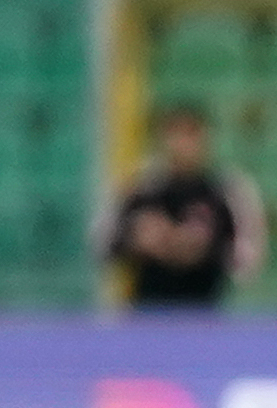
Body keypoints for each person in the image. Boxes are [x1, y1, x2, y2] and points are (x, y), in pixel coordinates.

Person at [100, 101, 264, 310]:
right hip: (145, 315)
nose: (183, 144)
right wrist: (137, 241)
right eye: (175, 134)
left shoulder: (228, 189)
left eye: (191, 134)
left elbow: (248, 261)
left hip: (205, 313)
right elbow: (103, 245)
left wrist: (202, 249)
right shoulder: (138, 188)